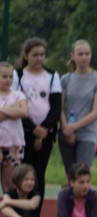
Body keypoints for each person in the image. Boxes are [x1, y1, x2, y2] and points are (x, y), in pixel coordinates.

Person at [12, 37, 61, 198]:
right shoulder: (18, 75)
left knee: (39, 174)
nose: (39, 58)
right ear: (26, 56)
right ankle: (22, 211)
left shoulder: (52, 76)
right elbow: (16, 104)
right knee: (24, 174)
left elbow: (56, 106)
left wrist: (44, 129)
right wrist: (34, 129)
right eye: (35, 55)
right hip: (24, 131)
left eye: (42, 54)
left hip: (46, 134)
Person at [58, 39, 97, 178]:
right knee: (71, 175)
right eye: (80, 54)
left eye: (87, 54)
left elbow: (96, 112)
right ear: (73, 56)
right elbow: (59, 107)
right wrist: (66, 129)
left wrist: (73, 128)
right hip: (66, 133)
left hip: (87, 133)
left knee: (82, 174)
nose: (84, 57)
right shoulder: (65, 79)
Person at [0, 61, 28, 191]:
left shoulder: (18, 95)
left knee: (10, 183)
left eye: (10, 77)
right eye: (4, 77)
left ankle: (9, 210)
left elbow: (23, 112)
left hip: (14, 144)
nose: (8, 80)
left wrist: (2, 109)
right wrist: (13, 110)